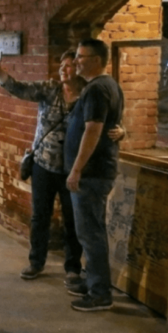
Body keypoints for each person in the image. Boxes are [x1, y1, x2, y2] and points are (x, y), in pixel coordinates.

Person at [65, 38, 124, 312]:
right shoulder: (107, 85)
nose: (76, 61)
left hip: (91, 174)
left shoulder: (97, 89)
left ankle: (100, 293)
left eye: (81, 56)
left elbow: (93, 130)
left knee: (90, 234)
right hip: (96, 172)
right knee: (91, 231)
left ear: (97, 60)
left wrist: (77, 169)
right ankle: (93, 281)